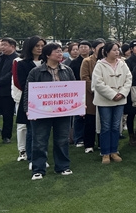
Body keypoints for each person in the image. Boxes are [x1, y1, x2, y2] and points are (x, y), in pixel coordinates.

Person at [24, 42, 76, 180]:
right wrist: (28, 110)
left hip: (63, 111)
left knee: (62, 140)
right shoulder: (36, 72)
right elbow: (28, 92)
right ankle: (38, 169)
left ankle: (63, 167)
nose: (60, 54)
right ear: (47, 55)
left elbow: (74, 89)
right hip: (41, 111)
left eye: (60, 51)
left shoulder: (67, 70)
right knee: (39, 141)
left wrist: (79, 105)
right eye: (56, 51)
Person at [92, 41, 133, 164]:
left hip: (120, 100)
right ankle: (105, 152)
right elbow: (98, 83)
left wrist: (122, 93)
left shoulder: (122, 64)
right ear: (106, 52)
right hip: (105, 101)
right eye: (114, 50)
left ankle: (114, 151)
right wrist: (112, 94)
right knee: (105, 127)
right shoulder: (99, 65)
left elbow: (128, 79)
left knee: (116, 126)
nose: (117, 52)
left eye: (117, 50)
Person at [14, 36, 46, 163]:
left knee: (43, 132)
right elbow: (22, 83)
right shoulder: (22, 64)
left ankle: (42, 156)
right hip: (31, 100)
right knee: (31, 130)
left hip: (47, 101)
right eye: (37, 46)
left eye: (42, 46)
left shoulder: (46, 62)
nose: (40, 48)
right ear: (30, 47)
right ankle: (32, 158)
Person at [0, 37, 19, 144]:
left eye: (5, 45)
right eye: (1, 45)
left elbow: (11, 74)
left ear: (12, 46)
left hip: (7, 91)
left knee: (7, 115)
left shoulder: (16, 59)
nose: (2, 47)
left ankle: (6, 136)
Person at [80, 39, 104, 153]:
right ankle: (89, 144)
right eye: (100, 47)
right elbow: (85, 78)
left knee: (103, 120)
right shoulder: (87, 61)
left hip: (105, 96)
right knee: (90, 120)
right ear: (93, 49)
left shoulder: (107, 61)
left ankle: (101, 143)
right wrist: (95, 90)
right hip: (92, 95)